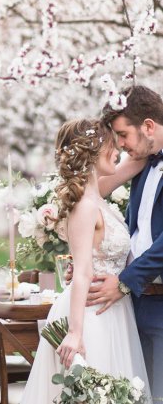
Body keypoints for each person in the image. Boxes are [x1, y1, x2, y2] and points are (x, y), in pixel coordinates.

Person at [20, 118, 151, 403]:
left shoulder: (96, 194)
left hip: (113, 310)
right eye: (112, 144)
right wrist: (76, 334)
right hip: (90, 317)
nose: (118, 150)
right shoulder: (84, 205)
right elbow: (81, 272)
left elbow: (136, 161)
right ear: (94, 151)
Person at [87, 85, 163, 403]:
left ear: (147, 126)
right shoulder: (143, 164)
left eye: (122, 134)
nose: (120, 144)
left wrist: (124, 282)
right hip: (136, 304)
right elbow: (136, 231)